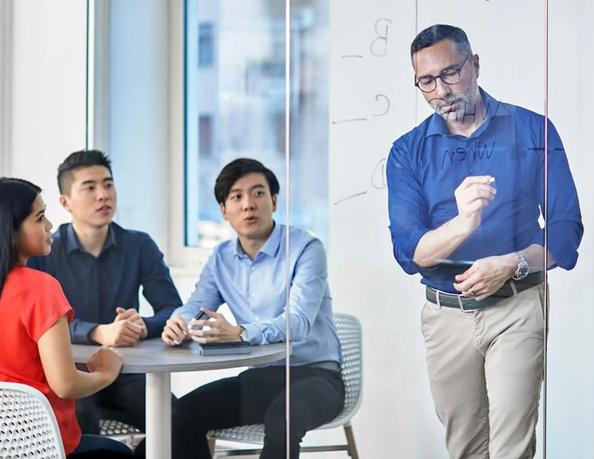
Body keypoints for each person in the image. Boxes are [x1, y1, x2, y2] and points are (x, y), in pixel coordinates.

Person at [386, 25, 583, 458]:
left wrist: (511, 263)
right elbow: (408, 252)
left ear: (474, 65)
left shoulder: (533, 131)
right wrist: (464, 222)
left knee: (511, 448)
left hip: (517, 304)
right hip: (445, 315)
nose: (441, 90)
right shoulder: (408, 151)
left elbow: (566, 230)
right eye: (427, 81)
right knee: (466, 449)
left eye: (451, 73)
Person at [159, 158, 344, 459]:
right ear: (223, 210)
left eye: (258, 193)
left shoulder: (306, 249)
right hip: (262, 379)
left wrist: (241, 332)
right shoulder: (220, 258)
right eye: (237, 197)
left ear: (273, 200)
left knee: (282, 420)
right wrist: (179, 322)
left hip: (316, 376)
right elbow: (196, 304)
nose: (248, 204)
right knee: (181, 415)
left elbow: (297, 322)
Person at [29, 150, 182, 438]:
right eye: (90, 187)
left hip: (125, 372)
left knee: (177, 420)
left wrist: (139, 326)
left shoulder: (139, 245)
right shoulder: (45, 252)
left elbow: (173, 309)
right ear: (66, 202)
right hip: (67, 373)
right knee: (81, 419)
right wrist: (97, 332)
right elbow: (39, 323)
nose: (103, 195)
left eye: (108, 184)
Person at [0, 177, 134, 458]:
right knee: (120, 453)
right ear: (10, 232)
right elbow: (66, 384)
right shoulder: (39, 287)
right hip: (48, 444)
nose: (49, 225)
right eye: (39, 218)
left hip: (7, 446)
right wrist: (105, 373)